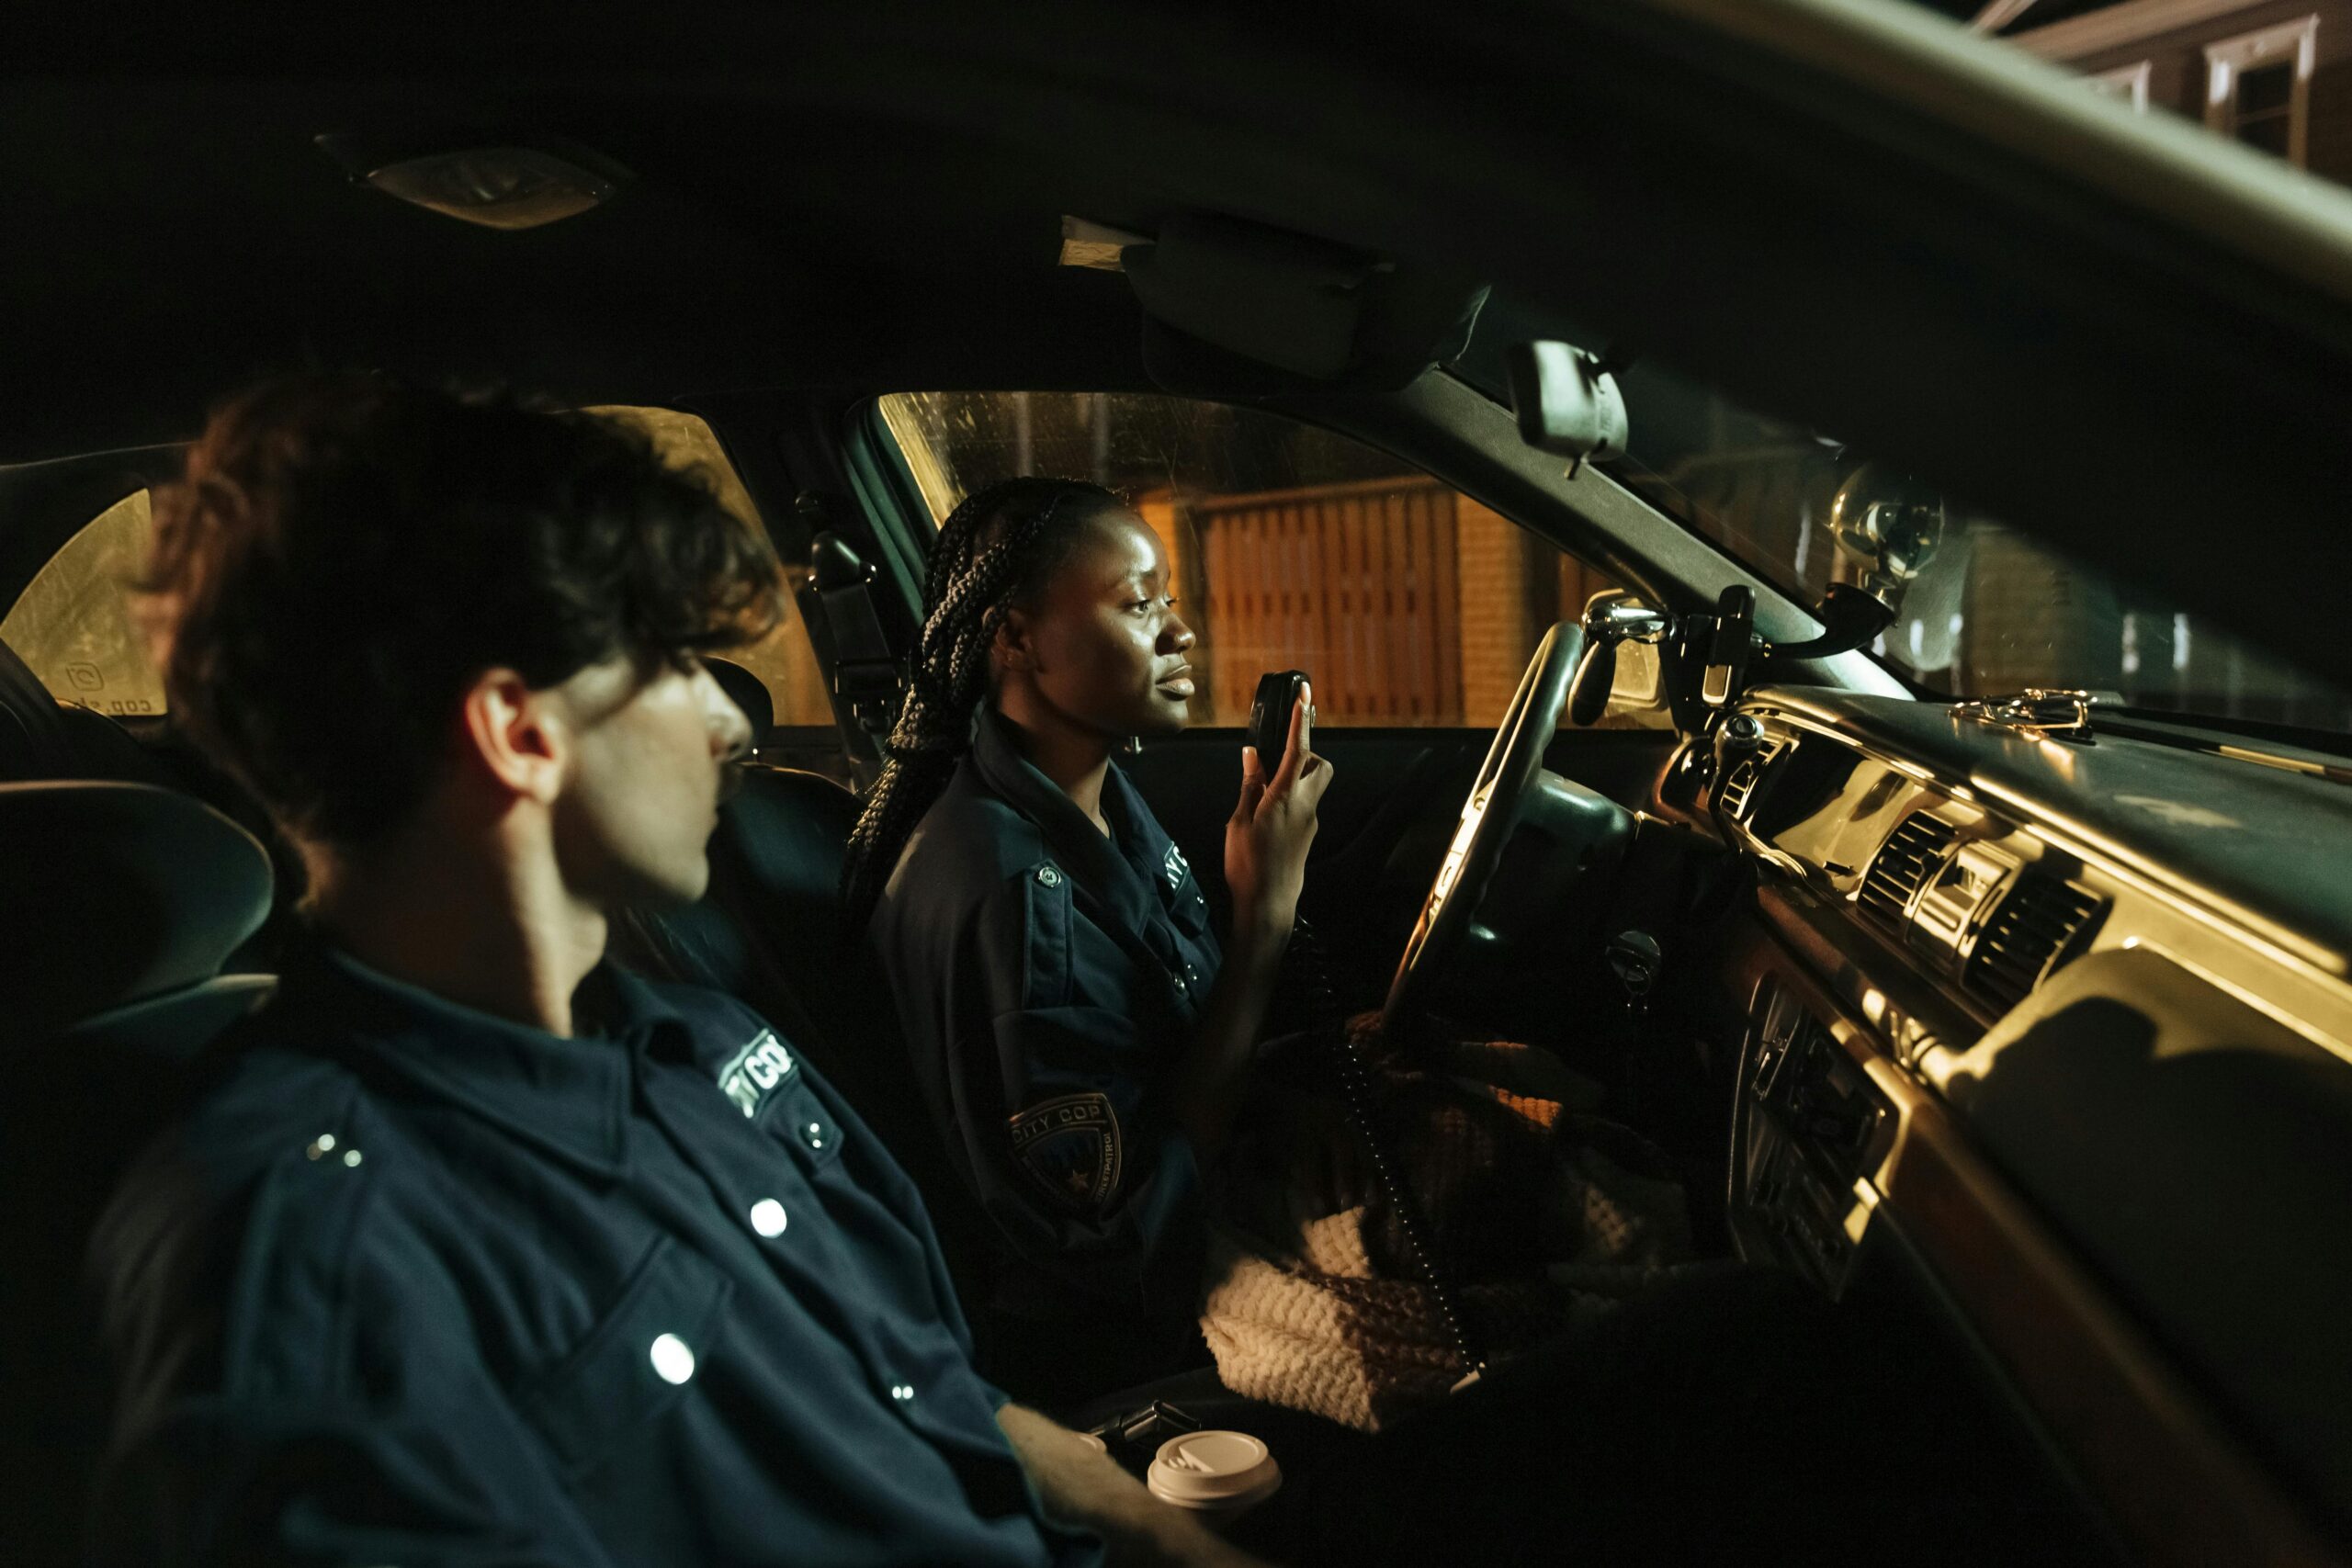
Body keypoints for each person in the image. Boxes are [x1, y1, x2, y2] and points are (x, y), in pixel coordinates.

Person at [91, 376, 1271, 1568]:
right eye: (672, 660)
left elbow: (932, 1390)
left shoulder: (710, 1049)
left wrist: (1169, 1538)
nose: (730, 720)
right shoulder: (307, 1256)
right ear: (519, 733)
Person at [844, 478, 1332, 1399]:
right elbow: (1131, 1233)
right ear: (1017, 638)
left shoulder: (1089, 801)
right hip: (1121, 1340)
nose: (1181, 633)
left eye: (1169, 601)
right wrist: (1264, 919)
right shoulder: (1019, 906)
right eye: (1138, 605)